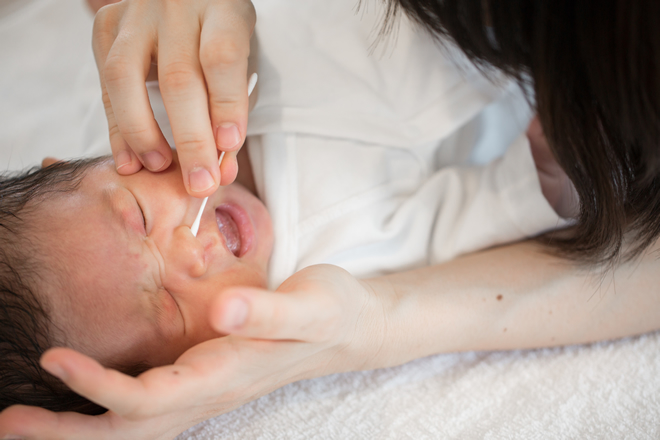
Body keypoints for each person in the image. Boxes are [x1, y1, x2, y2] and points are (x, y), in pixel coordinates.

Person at [2, 1, 660, 440]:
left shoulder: (161, 92)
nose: (188, 246)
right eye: (172, 307)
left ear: (78, 162)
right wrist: (549, 165)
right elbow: (485, 208)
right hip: (545, 75)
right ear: (184, 362)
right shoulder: (329, 266)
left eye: (139, 215)